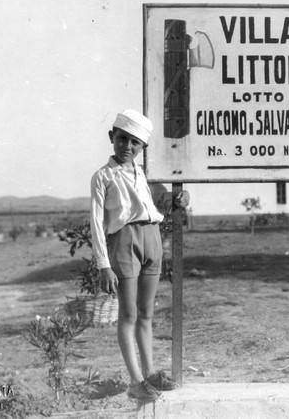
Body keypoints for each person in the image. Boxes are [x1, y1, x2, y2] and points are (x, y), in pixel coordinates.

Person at [90, 109, 190, 402]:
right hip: (123, 242)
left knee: (146, 312)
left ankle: (150, 374)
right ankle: (135, 381)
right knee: (129, 313)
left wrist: (182, 199)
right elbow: (97, 222)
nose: (128, 147)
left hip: (152, 239)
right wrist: (103, 265)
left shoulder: (147, 174)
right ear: (112, 137)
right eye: (122, 139)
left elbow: (163, 201)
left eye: (135, 143)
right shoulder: (102, 177)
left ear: (142, 147)